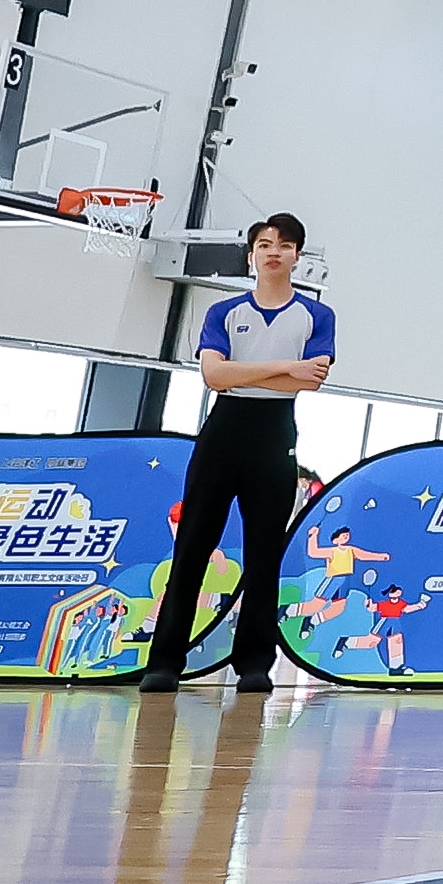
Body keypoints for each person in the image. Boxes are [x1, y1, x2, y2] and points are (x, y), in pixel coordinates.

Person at [140, 214, 332, 696]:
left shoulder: (317, 316)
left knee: (264, 555)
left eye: (284, 245)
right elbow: (214, 377)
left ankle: (254, 664)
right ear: (251, 256)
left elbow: (309, 381)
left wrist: (247, 371)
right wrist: (285, 366)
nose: (273, 252)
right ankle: (164, 661)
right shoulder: (223, 311)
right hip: (222, 433)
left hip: (274, 435)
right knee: (192, 549)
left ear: (297, 256)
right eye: (264, 244)